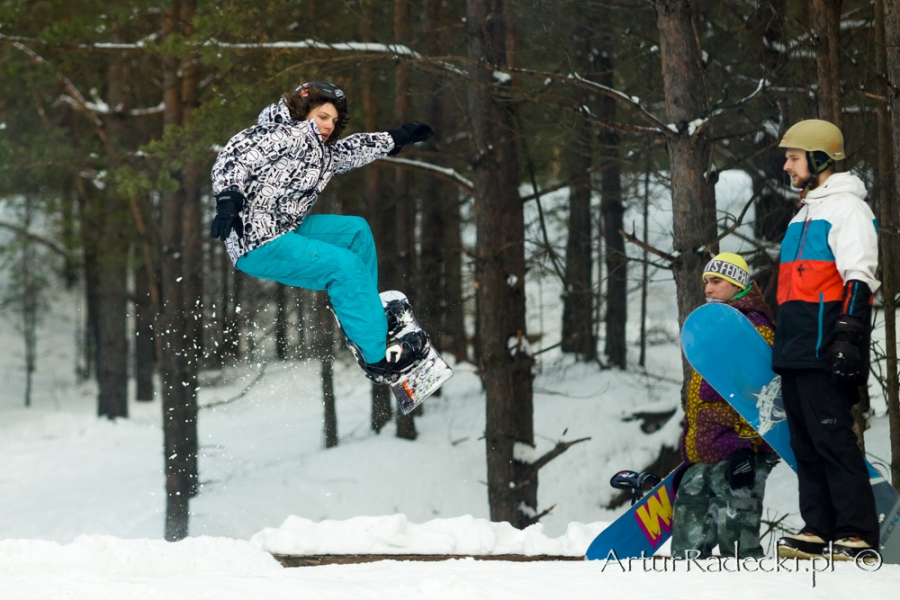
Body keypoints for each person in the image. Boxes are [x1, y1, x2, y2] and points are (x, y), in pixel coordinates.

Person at [210, 81, 433, 383]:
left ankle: (368, 316)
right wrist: (228, 200)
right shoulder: (278, 134)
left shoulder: (323, 152)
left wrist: (398, 137)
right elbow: (234, 158)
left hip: (286, 228)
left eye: (334, 120)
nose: (329, 125)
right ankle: (378, 359)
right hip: (257, 241)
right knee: (345, 267)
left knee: (356, 232)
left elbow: (355, 149)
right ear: (303, 112)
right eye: (322, 117)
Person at [772, 119, 880, 561]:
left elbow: (860, 275)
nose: (786, 165)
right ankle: (818, 528)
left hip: (824, 348)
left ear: (819, 158)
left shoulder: (847, 210)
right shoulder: (803, 214)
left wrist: (848, 339)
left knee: (834, 440)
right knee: (805, 444)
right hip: (796, 349)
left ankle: (857, 532)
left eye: (793, 157)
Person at [672, 252, 778, 559]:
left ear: (737, 284)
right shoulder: (712, 329)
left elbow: (763, 394)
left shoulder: (755, 328)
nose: (707, 289)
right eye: (706, 281)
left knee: (738, 552)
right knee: (688, 554)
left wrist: (747, 447)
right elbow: (702, 399)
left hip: (741, 455)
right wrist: (691, 451)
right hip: (706, 454)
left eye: (716, 281)